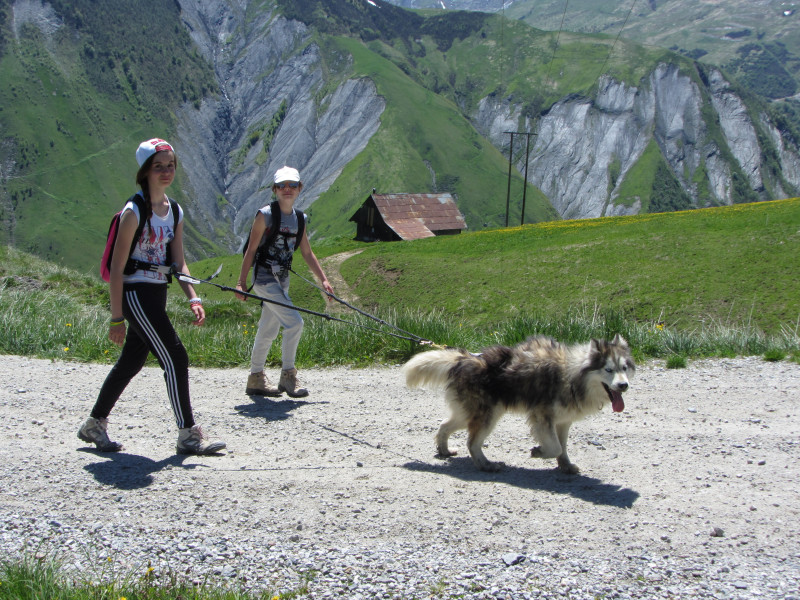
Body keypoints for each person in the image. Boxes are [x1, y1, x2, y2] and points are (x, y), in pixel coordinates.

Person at [78, 138, 226, 455]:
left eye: (170, 165)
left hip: (156, 293)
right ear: (145, 171)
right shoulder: (134, 212)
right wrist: (116, 317)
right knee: (176, 356)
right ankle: (187, 434)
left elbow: (179, 261)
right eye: (159, 166)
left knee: (131, 362)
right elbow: (117, 270)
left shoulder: (174, 211)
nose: (166, 171)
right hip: (135, 293)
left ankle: (94, 424)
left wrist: (193, 297)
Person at [235, 166, 334, 398]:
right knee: (295, 323)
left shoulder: (300, 219)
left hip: (282, 280)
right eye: (282, 185)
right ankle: (288, 377)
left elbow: (307, 253)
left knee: (268, 329)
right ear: (275, 189)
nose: (287, 189)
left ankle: (255, 379)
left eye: (292, 185)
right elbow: (250, 250)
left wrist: (324, 279)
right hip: (264, 279)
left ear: (300, 188)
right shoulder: (265, 215)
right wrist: (241, 283)